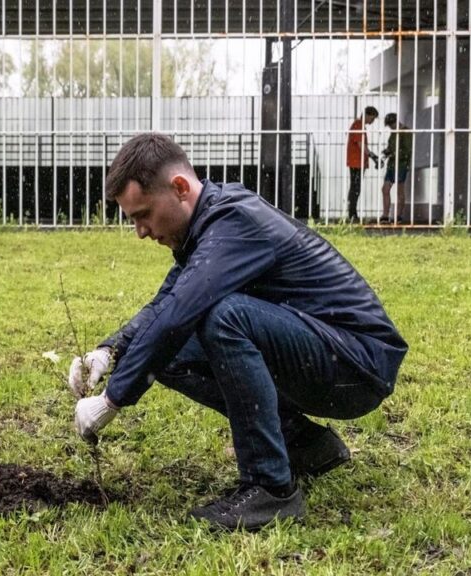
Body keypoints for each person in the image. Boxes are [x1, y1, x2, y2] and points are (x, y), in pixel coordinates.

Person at [68, 134, 408, 531]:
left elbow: (179, 314)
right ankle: (306, 446)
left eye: (143, 214)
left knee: (223, 317)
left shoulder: (234, 223)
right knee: (173, 352)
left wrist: (112, 399)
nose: (140, 231)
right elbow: (166, 304)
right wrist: (111, 351)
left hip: (357, 365)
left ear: (179, 187)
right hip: (329, 356)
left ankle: (271, 489)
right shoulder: (209, 225)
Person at [346, 106, 380, 223]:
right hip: (356, 162)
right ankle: (352, 214)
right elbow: (361, 145)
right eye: (373, 118)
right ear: (368, 115)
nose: (373, 121)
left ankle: (352, 213)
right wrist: (372, 156)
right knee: (355, 188)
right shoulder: (358, 125)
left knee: (355, 187)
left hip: (358, 161)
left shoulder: (360, 125)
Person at [380, 113, 412, 224]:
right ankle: (385, 215)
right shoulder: (393, 133)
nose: (391, 127)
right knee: (385, 189)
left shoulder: (406, 131)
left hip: (402, 165)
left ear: (396, 121)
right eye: (389, 125)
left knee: (400, 190)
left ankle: (398, 215)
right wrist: (387, 151)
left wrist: (392, 153)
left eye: (391, 124)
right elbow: (392, 147)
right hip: (392, 165)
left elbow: (407, 150)